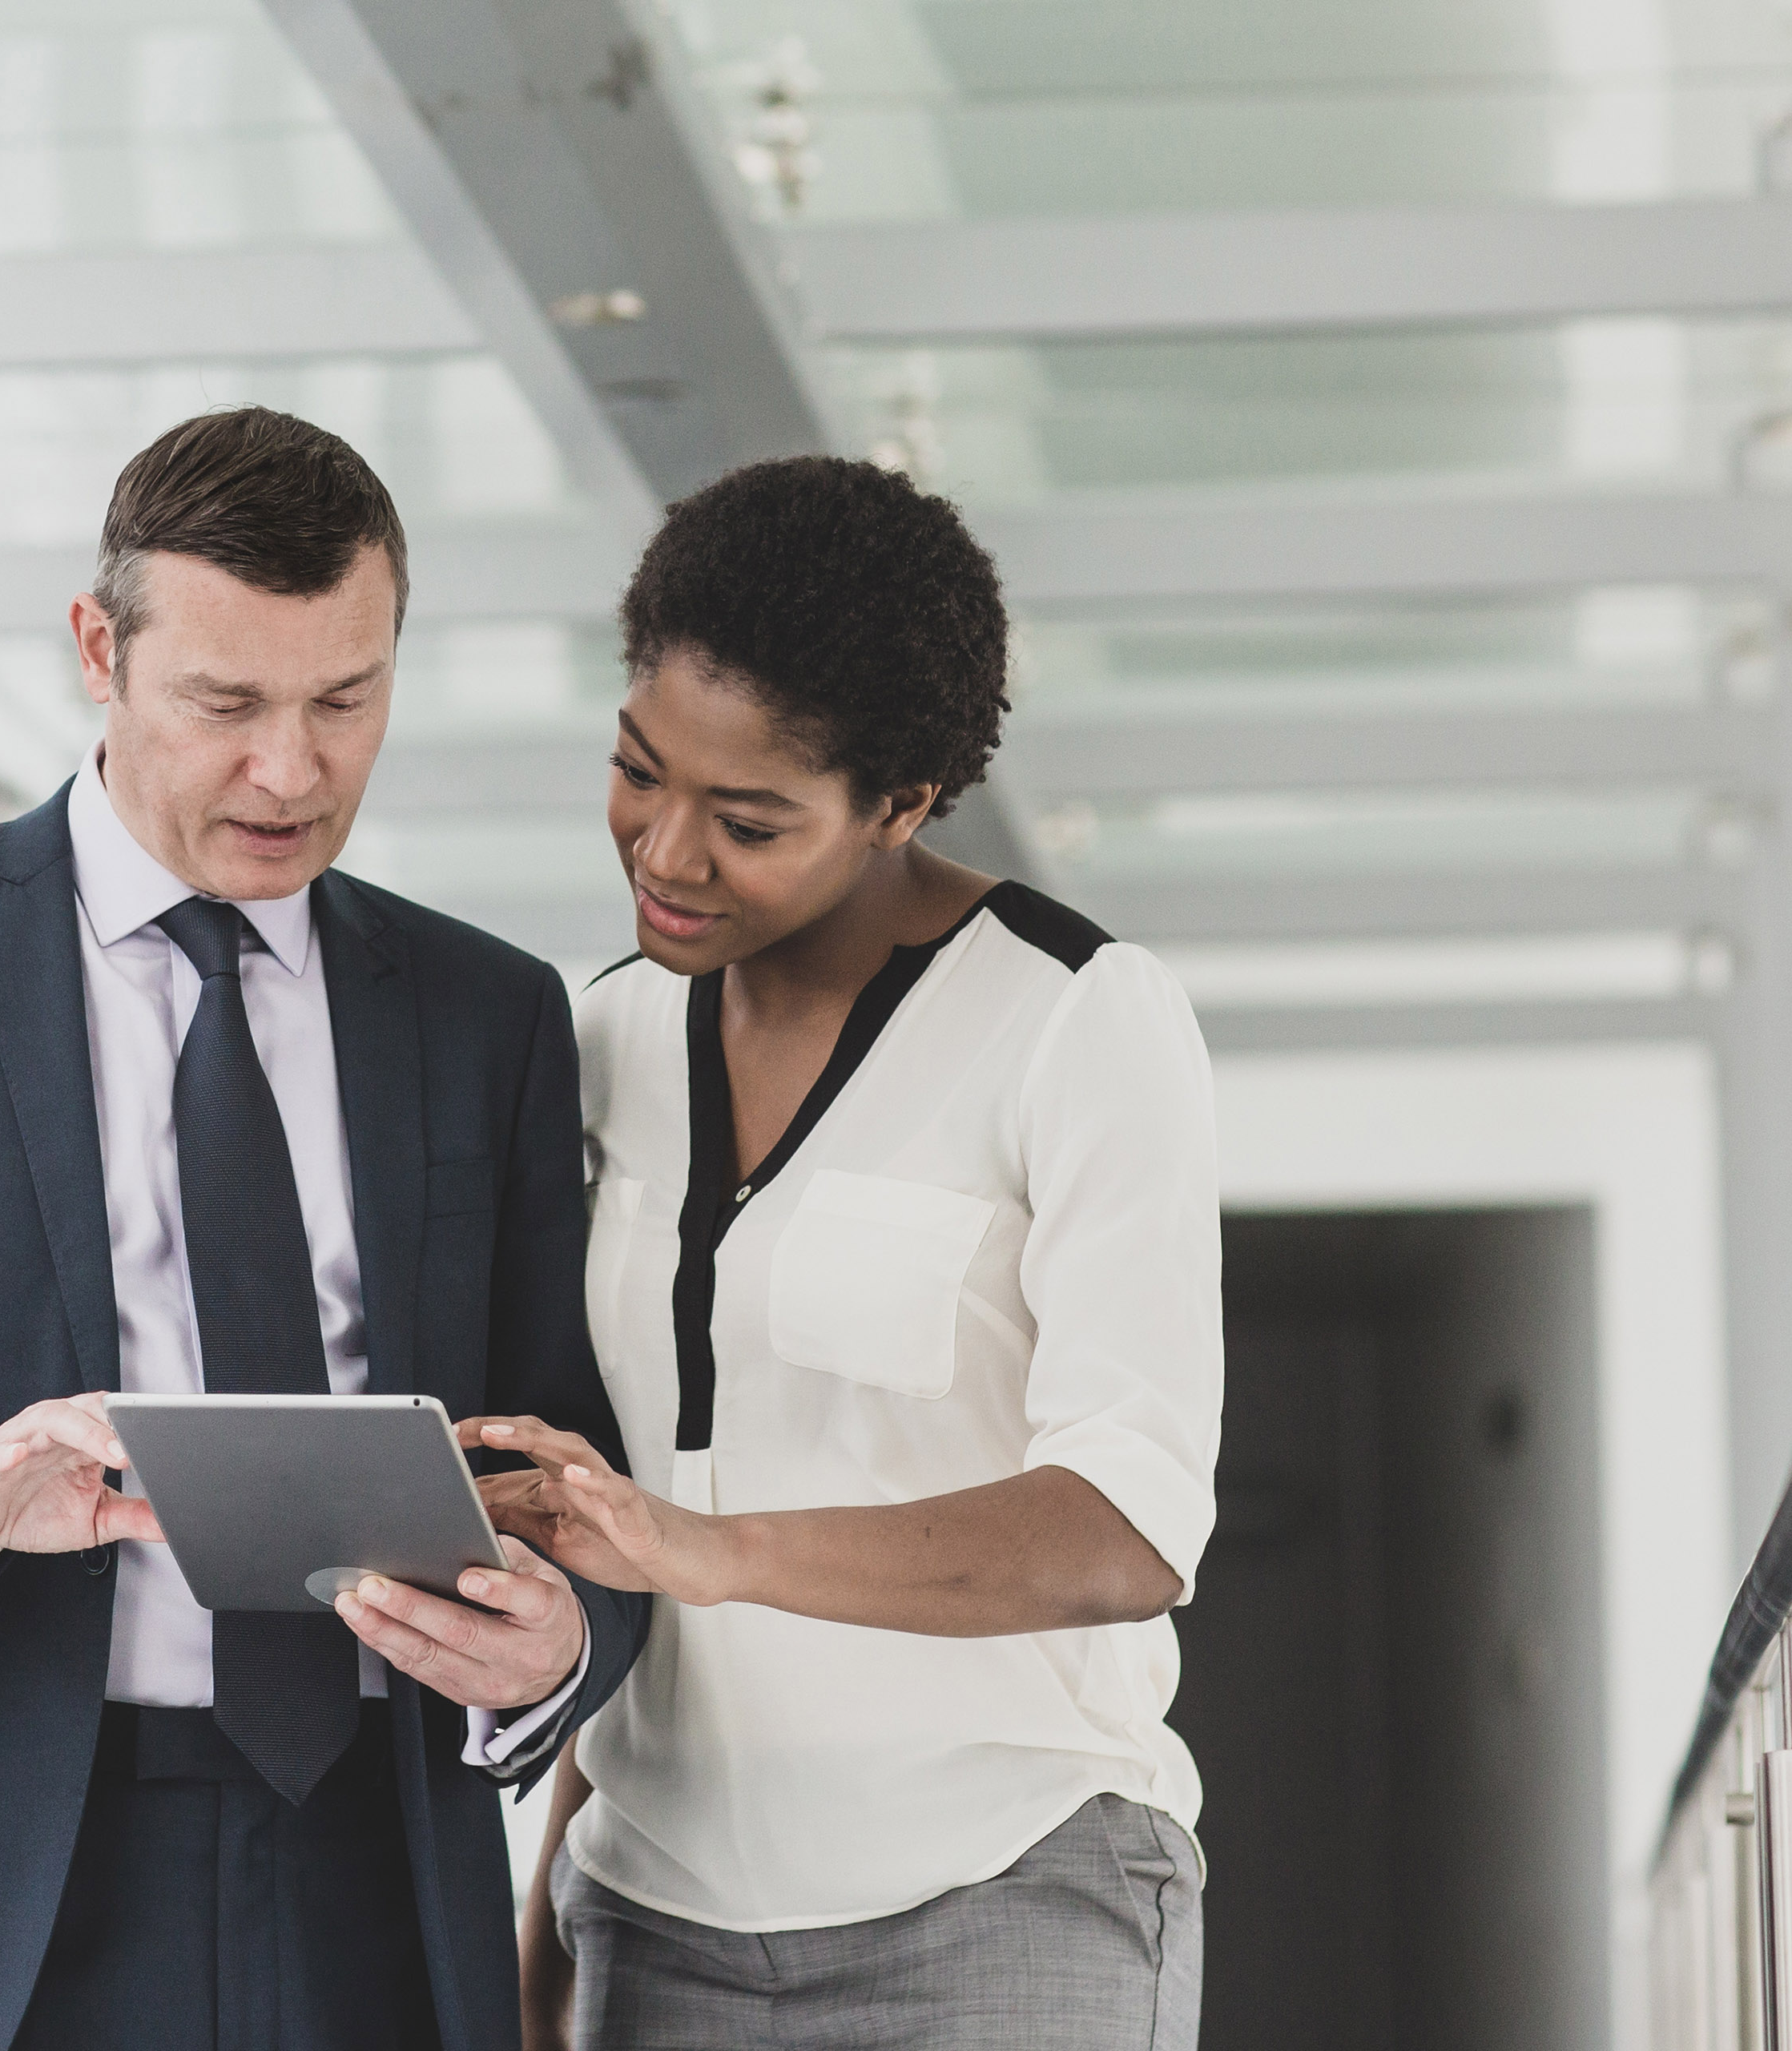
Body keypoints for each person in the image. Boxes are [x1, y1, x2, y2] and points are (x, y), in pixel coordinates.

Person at [0, 407, 650, 2051]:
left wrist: (561, 1641)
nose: (290, 769)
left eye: (343, 701)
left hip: (368, 1875)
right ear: (100, 647)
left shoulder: (483, 1013)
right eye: (225, 703)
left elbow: (570, 1455)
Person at [474, 457, 1221, 2051]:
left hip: (1006, 1892)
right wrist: (544, 1938)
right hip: (652, 1918)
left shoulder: (1079, 1021)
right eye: (636, 769)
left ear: (900, 804)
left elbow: (1127, 1525)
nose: (667, 852)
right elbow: (617, 1500)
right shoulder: (599, 1040)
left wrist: (715, 1548)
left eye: (747, 821)